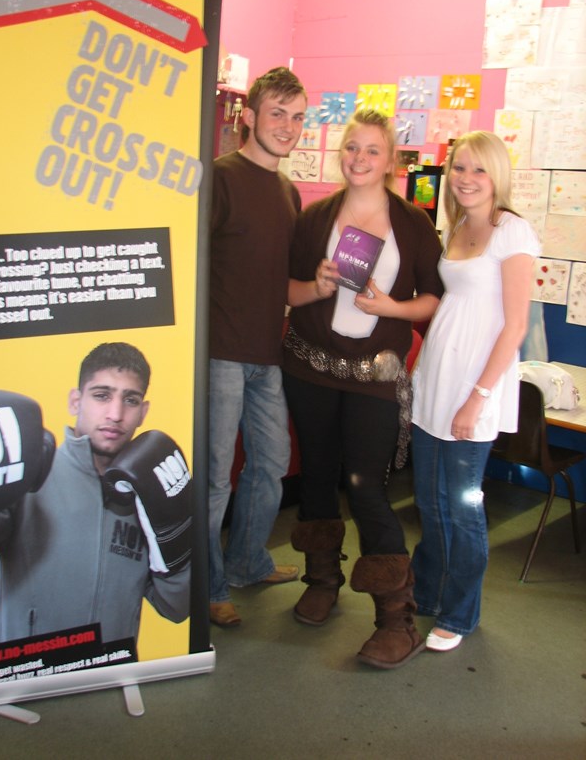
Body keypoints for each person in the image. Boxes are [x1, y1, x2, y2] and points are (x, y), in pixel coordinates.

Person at [283, 109, 444, 669]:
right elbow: (290, 290)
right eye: (351, 147)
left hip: (374, 376)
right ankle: (322, 578)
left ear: (392, 160)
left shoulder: (413, 222)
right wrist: (318, 283)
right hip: (309, 366)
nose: (358, 158)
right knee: (319, 475)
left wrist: (390, 307)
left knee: (366, 486)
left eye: (372, 150)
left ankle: (395, 618)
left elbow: (433, 300)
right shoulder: (316, 216)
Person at [0, 342, 191, 648]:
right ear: (76, 402)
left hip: (110, 674)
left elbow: (177, 608)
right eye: (102, 395)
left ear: (143, 412)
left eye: (130, 400)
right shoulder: (28, 475)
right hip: (28, 677)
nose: (115, 414)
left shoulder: (149, 487)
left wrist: (178, 535)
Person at [410, 130, 540, 652]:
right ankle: (426, 590)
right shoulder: (457, 224)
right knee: (428, 499)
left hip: (475, 390)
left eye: (478, 169)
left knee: (460, 506)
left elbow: (515, 327)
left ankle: (459, 614)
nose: (466, 178)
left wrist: (478, 397)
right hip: (435, 381)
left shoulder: (513, 232)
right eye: (458, 167)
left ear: (497, 176)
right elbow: (454, 307)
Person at [208, 67, 307, 627]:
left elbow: (282, 282)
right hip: (221, 352)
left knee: (270, 464)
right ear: (249, 116)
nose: (288, 127)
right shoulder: (220, 177)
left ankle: (248, 562)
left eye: (297, 117)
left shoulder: (288, 190)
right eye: (277, 114)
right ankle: (210, 584)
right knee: (216, 477)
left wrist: (322, 284)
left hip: (268, 355)